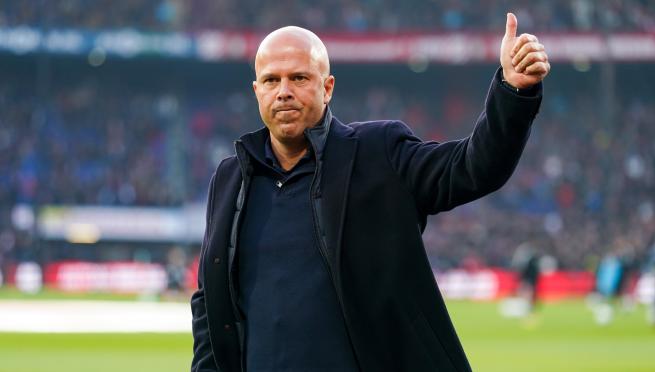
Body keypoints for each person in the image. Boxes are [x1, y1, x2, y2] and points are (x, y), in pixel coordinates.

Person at [192, 13, 549, 372]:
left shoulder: (378, 152)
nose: (284, 90)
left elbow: (471, 168)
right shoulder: (231, 178)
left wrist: (512, 92)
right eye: (271, 80)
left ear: (327, 87)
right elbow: (211, 302)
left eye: (298, 78)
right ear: (257, 91)